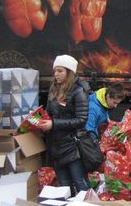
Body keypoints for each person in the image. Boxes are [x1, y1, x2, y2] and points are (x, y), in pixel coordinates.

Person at [38, 55, 91, 194]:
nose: (56, 74)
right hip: (56, 145)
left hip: (73, 146)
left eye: (60, 71)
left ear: (69, 72)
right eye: (55, 70)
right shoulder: (54, 89)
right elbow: (50, 113)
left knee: (80, 182)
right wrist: (40, 120)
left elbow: (81, 119)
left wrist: (53, 124)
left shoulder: (79, 91)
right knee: (64, 185)